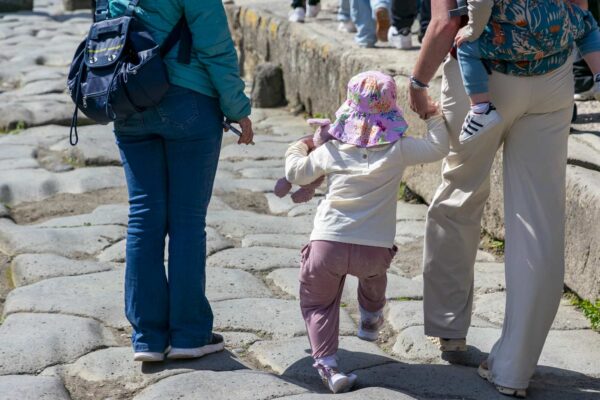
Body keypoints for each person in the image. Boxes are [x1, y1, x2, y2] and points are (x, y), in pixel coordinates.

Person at [409, 0, 592, 397]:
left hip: (482, 78)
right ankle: (513, 369)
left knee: (461, 192)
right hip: (552, 75)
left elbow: (447, 21)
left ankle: (449, 329)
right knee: (539, 221)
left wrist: (418, 83)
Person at [108, 0, 254, 362]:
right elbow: (215, 47)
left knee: (144, 217)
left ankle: (148, 337)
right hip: (188, 101)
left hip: (129, 100)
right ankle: (189, 333)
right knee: (187, 220)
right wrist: (239, 110)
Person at [285, 71, 448, 393]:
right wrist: (432, 115)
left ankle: (329, 367)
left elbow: (296, 174)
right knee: (374, 276)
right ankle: (371, 314)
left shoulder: (330, 151)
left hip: (327, 245)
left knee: (318, 305)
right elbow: (437, 148)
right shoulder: (399, 149)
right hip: (374, 249)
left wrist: (299, 145)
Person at [455, 0, 600, 143]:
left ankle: (481, 110)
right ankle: (598, 75)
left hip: (516, 36)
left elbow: (480, 3)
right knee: (588, 23)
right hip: (557, 24)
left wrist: (473, 29)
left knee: (466, 47)